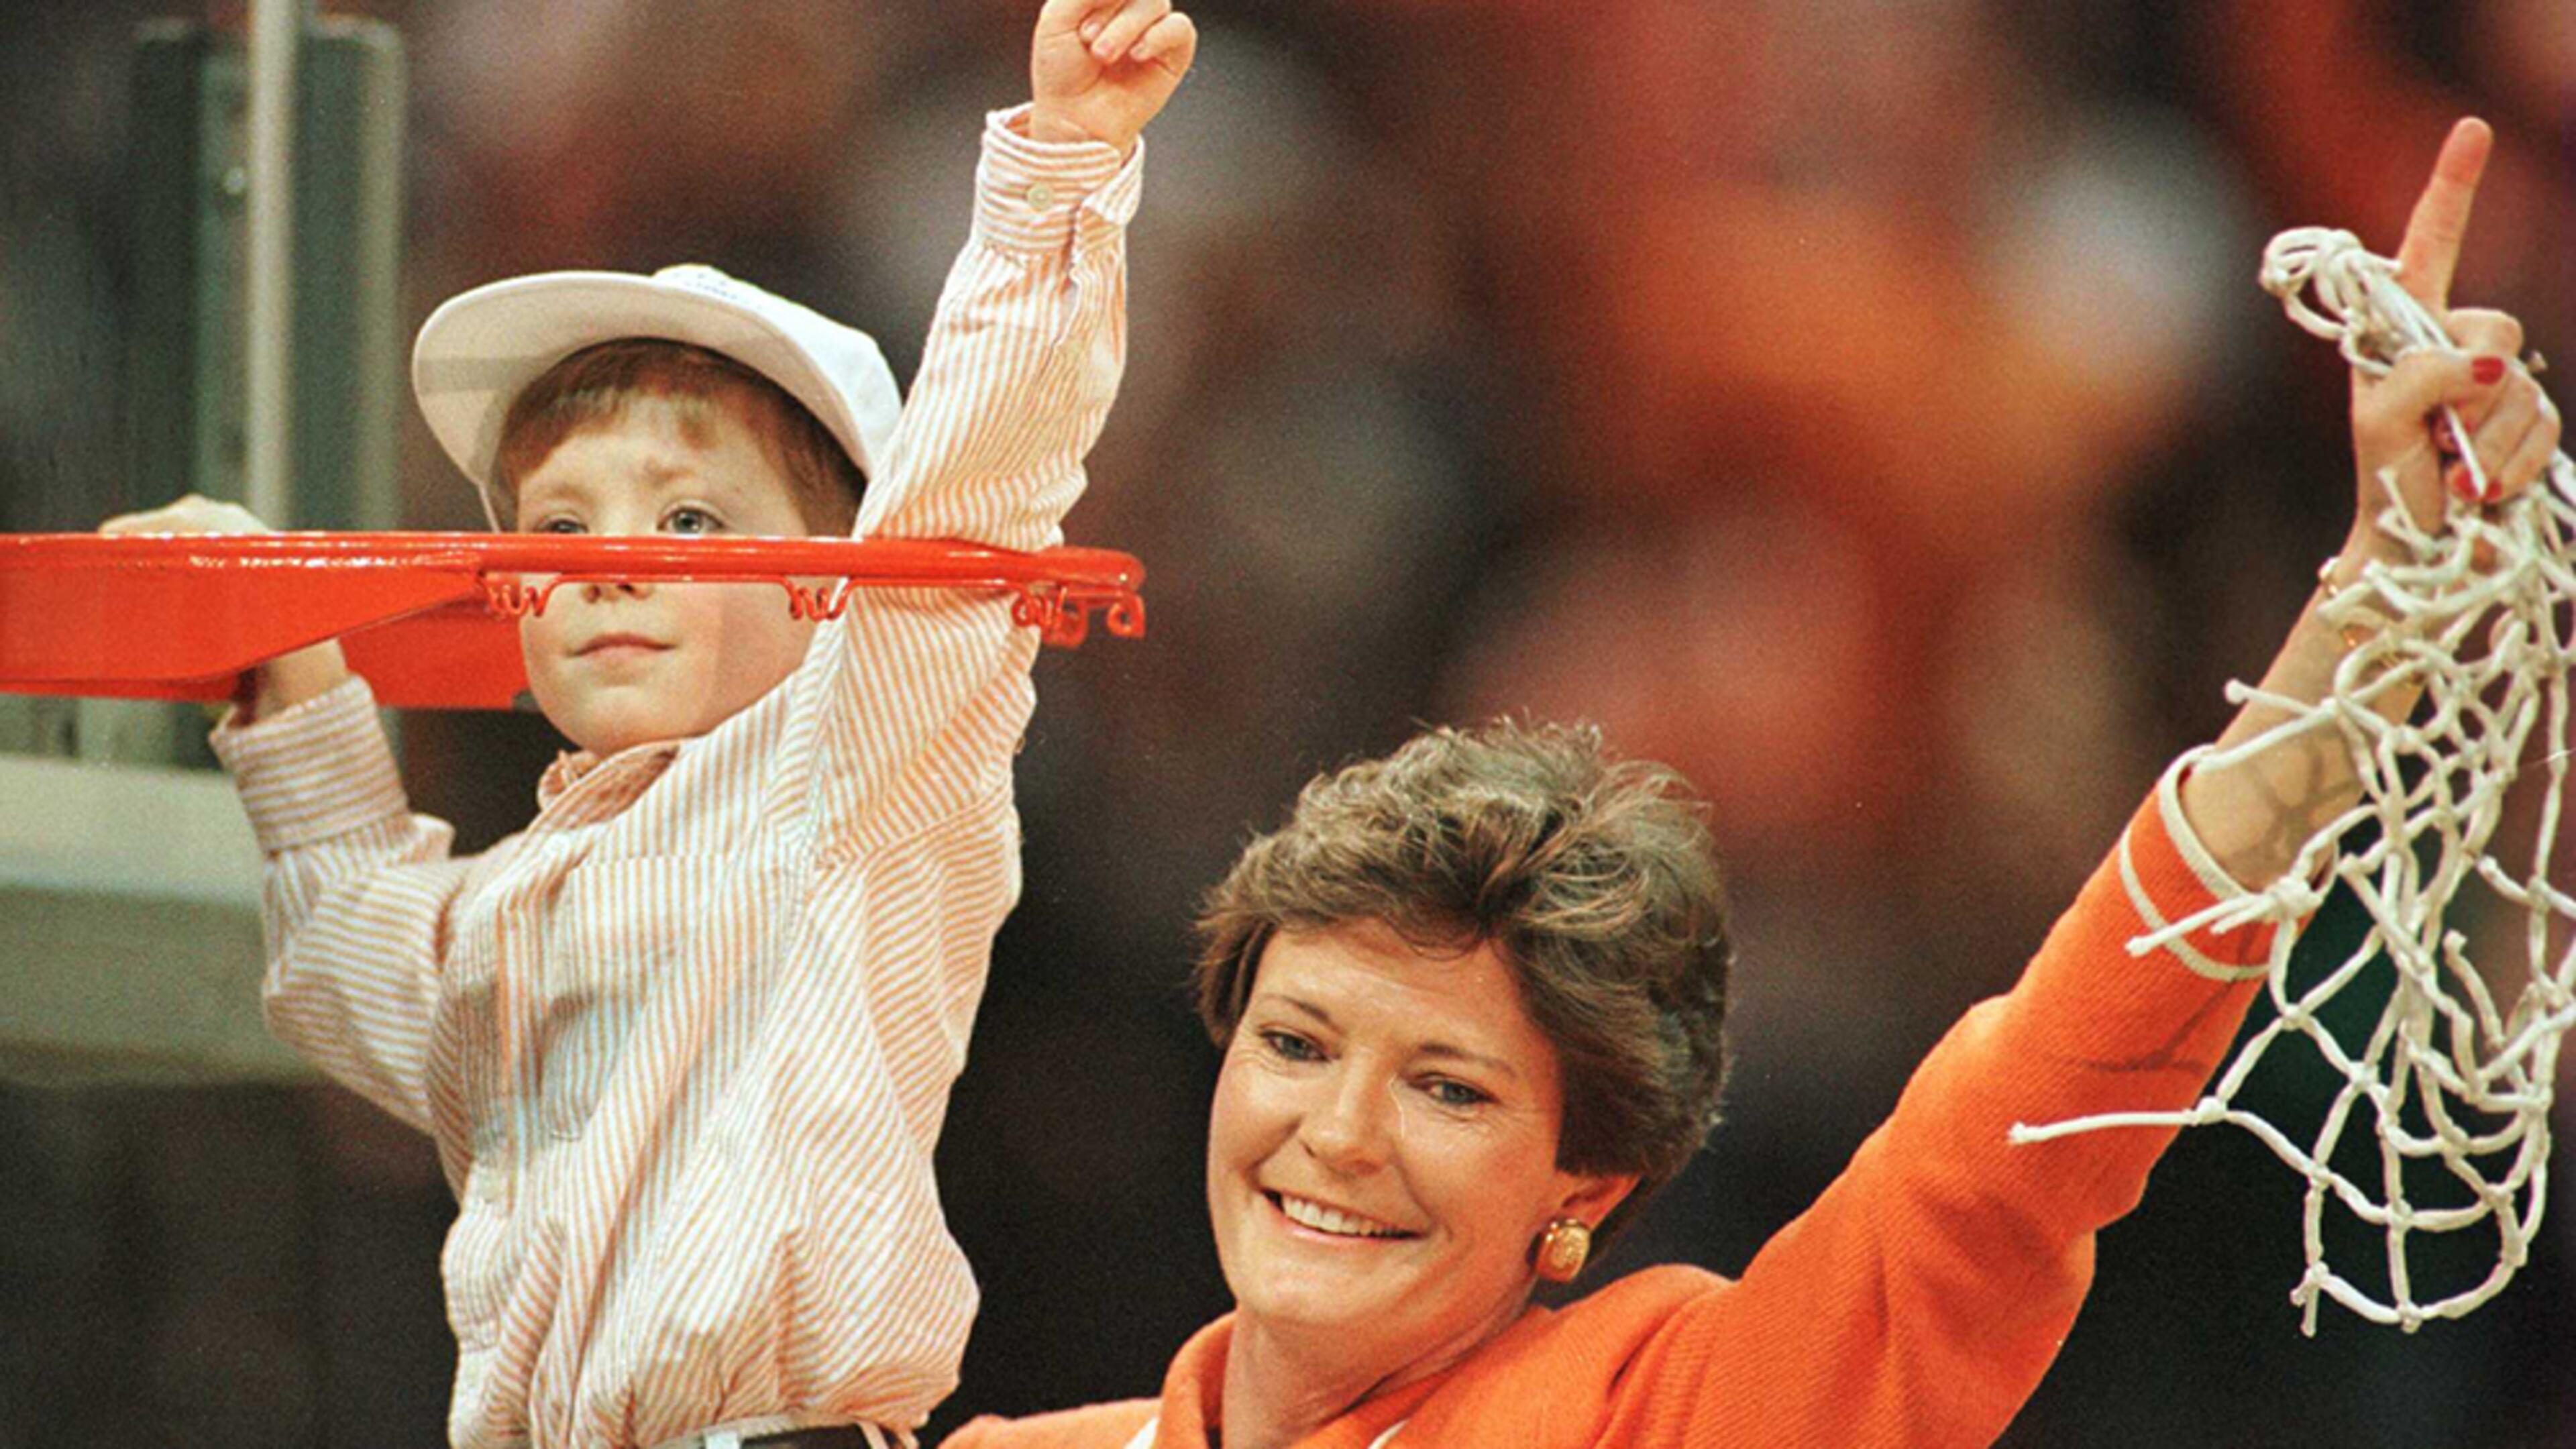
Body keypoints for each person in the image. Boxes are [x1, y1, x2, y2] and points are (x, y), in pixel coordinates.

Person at [944, 117, 2561, 1449]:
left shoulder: (1679, 1415)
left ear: (1585, 1186)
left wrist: (2374, 611)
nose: (1340, 1133)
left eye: (1451, 1086)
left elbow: (2017, 1132)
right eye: (1297, 1043)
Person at [97, 3, 1197, 1446]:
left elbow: (968, 504)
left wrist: (1061, 162)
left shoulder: (861, 778)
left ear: (828, 586)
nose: (609, 560)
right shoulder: (520, 906)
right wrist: (282, 654)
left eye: (690, 518)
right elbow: (364, 944)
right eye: (559, 522)